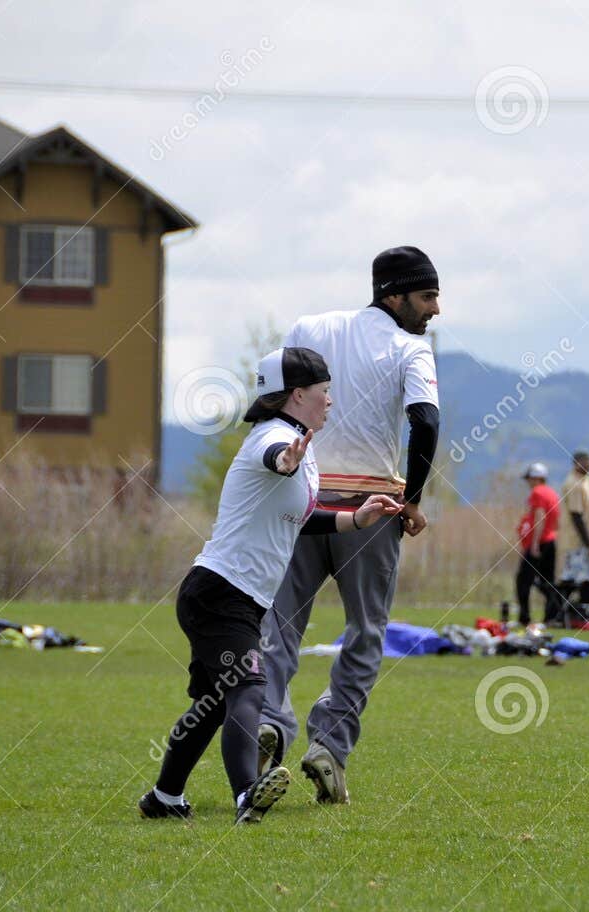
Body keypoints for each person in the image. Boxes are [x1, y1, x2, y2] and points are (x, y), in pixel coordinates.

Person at [140, 349, 402, 824]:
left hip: (231, 595)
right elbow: (274, 459)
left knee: (214, 705)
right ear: (298, 395)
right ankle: (247, 796)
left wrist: (356, 518)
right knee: (250, 687)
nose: (330, 402)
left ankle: (164, 797)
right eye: (324, 393)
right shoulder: (276, 439)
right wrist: (286, 460)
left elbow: (298, 518)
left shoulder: (302, 444)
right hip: (220, 593)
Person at [257, 246, 441, 806]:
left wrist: (274, 468)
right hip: (372, 509)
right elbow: (426, 421)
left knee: (281, 624)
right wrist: (411, 498)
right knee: (365, 632)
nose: (435, 310)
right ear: (396, 294)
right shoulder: (413, 348)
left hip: (304, 503)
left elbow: (273, 401)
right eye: (428, 296)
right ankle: (329, 748)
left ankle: (267, 719)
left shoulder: (310, 327)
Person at [557, 450, 589, 616]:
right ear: (576, 463)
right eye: (585, 462)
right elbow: (576, 516)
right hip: (577, 541)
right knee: (577, 579)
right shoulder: (574, 484)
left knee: (585, 578)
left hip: (588, 539)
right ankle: (562, 613)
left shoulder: (586, 481)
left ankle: (578, 614)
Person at [516, 462, 561, 625]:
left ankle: (525, 617)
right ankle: (552, 616)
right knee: (547, 581)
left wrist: (534, 544)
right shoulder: (552, 493)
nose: (528, 482)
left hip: (539, 543)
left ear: (536, 478)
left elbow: (540, 517)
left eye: (529, 478)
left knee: (523, 581)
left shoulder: (537, 492)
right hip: (551, 541)